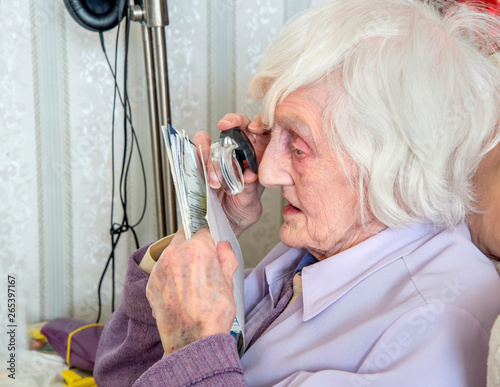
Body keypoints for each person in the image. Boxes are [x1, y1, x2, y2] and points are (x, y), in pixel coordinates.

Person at [94, 0, 500, 385]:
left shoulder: (435, 326)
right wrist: (206, 228)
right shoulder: (319, 250)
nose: (268, 173)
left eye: (299, 145)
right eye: (272, 132)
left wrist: (194, 345)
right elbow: (119, 376)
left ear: (392, 165)